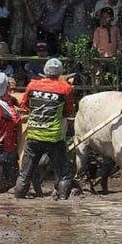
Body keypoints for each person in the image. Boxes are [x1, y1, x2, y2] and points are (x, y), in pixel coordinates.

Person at [14, 57, 75, 200]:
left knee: (25, 174)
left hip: (34, 135)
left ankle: (17, 202)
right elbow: (68, 112)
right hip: (54, 137)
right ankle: (63, 205)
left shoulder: (32, 85)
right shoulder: (65, 88)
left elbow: (25, 107)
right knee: (64, 174)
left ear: (45, 71)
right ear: (60, 73)